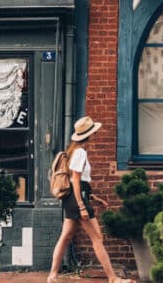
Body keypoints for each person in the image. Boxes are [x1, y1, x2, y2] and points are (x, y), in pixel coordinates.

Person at [48, 116, 133, 283]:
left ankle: (52, 276)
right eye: (94, 133)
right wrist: (81, 206)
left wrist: (94, 197)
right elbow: (75, 180)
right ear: (89, 135)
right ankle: (113, 278)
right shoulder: (80, 152)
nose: (96, 135)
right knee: (97, 239)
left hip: (73, 198)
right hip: (77, 200)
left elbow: (81, 184)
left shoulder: (75, 150)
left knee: (65, 237)